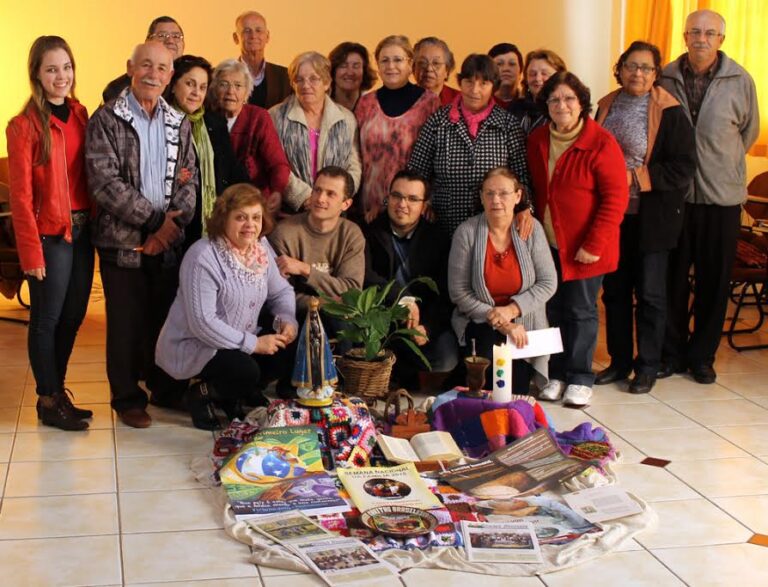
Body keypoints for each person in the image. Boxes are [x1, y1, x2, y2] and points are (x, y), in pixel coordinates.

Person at [86, 42, 197, 428]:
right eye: (146, 65)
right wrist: (154, 222)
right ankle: (127, 397)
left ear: (170, 76)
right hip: (122, 242)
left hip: (166, 242)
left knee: (164, 320)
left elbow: (189, 179)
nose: (153, 73)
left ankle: (164, 389)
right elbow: (104, 182)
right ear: (130, 68)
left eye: (162, 68)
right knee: (125, 324)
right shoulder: (106, 119)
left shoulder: (179, 122)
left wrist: (168, 230)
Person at [658, 9, 759, 384]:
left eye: (709, 33)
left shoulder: (740, 80)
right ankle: (671, 353)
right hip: (675, 196)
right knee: (672, 279)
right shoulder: (665, 76)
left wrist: (720, 164)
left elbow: (748, 132)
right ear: (685, 37)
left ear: (721, 40)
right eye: (695, 32)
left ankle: (702, 357)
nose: (701, 38)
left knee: (714, 283)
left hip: (722, 199)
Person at [594, 41, 696, 394]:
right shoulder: (606, 104)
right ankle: (619, 362)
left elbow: (684, 167)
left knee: (651, 295)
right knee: (615, 292)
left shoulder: (670, 110)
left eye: (646, 68)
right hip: (613, 216)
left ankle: (648, 365)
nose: (637, 73)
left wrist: (635, 177)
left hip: (654, 218)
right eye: (631, 66)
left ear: (656, 74)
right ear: (620, 68)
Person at [155, 184, 297, 429]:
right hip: (199, 344)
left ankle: (234, 393)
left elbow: (281, 291)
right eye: (240, 217)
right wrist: (254, 344)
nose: (250, 225)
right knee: (245, 370)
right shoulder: (203, 256)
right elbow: (203, 323)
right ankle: (199, 395)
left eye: (256, 217)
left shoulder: (260, 248)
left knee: (286, 347)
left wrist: (287, 320)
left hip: (238, 339)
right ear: (223, 219)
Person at [6, 36, 94, 431]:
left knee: (74, 315)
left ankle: (58, 391)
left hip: (83, 230)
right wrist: (31, 254)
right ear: (37, 75)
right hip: (49, 235)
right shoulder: (23, 126)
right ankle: (47, 399)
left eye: (67, 67)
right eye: (52, 69)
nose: (62, 76)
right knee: (47, 319)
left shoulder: (79, 114)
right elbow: (21, 198)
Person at [527, 71, 628, 407]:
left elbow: (615, 200)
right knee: (553, 309)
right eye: (554, 99)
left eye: (569, 98)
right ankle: (556, 374)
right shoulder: (538, 139)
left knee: (581, 311)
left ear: (582, 103)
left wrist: (593, 245)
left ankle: (580, 377)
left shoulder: (601, 142)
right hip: (548, 245)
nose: (562, 105)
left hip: (587, 247)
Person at [448, 167, 556, 393]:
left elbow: (548, 282)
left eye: (503, 193)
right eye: (489, 193)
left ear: (517, 196)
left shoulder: (532, 229)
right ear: (481, 197)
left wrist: (512, 310)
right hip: (480, 319)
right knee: (488, 380)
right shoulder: (466, 232)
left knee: (515, 391)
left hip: (524, 321)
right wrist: (503, 323)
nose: (496, 200)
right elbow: (459, 292)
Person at [408, 54, 532, 239]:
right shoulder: (438, 121)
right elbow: (417, 171)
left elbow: (521, 175)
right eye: (469, 82)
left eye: (484, 83)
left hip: (494, 225)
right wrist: (423, 202)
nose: (475, 90)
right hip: (444, 224)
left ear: (494, 86)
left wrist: (525, 208)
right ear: (460, 82)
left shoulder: (508, 125)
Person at [268, 166, 365, 396]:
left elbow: (352, 291)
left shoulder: (351, 234)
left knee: (342, 321)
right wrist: (322, 301)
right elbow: (279, 295)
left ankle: (340, 387)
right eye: (317, 190)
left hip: (337, 316)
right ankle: (296, 384)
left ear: (346, 204)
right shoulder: (284, 233)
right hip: (297, 314)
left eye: (331, 194)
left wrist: (305, 270)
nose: (320, 199)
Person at [363, 170, 458, 389]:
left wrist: (428, 327)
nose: (402, 204)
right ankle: (394, 374)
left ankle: (403, 372)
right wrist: (403, 299)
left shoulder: (438, 238)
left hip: (422, 321)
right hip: (382, 317)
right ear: (388, 198)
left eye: (412, 199)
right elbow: (366, 277)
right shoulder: (369, 230)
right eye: (397, 196)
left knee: (445, 358)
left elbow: (445, 293)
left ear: (424, 205)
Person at [356, 35, 440, 223]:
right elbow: (356, 154)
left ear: (410, 64)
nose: (391, 66)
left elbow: (436, 157)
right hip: (370, 207)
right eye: (384, 60)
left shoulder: (429, 102)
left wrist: (429, 201)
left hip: (412, 206)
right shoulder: (365, 103)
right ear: (378, 66)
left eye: (398, 60)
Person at [168, 55, 248, 245]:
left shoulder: (214, 122)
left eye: (202, 87)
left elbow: (232, 168)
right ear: (173, 84)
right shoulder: (161, 122)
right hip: (174, 224)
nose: (196, 93)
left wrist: (251, 199)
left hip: (214, 223)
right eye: (190, 84)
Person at [269, 51, 361, 212]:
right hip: (291, 210)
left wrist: (338, 196)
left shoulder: (346, 119)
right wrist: (305, 197)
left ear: (326, 83)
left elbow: (353, 165)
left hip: (334, 211)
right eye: (299, 79)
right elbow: (275, 163)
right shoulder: (275, 116)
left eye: (313, 79)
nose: (305, 85)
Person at [208, 59, 290, 214]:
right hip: (216, 202)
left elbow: (278, 164)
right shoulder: (206, 118)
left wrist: (277, 191)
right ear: (214, 89)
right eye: (224, 84)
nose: (230, 91)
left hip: (253, 200)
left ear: (247, 92)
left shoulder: (259, 117)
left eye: (238, 86)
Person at [102, 16, 185, 103]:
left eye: (176, 36)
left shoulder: (189, 79)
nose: (170, 41)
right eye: (162, 35)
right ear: (148, 41)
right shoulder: (117, 91)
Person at [233, 10, 291, 109]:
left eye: (258, 30)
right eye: (247, 31)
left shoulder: (286, 77)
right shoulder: (221, 76)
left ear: (267, 36)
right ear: (235, 38)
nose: (253, 36)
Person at [510, 49, 567, 135]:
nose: (537, 79)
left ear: (559, 77)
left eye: (544, 73)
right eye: (532, 74)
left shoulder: (565, 110)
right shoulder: (514, 108)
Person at [328, 42, 377, 112]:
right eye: (343, 66)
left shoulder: (373, 106)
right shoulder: (321, 105)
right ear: (333, 70)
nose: (350, 73)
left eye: (356, 66)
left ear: (364, 71)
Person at [413, 37, 459, 106]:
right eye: (422, 63)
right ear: (413, 68)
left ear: (447, 70)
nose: (429, 69)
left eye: (436, 63)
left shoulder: (460, 101)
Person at [488, 43, 524, 109]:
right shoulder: (479, 105)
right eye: (499, 64)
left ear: (520, 72)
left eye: (512, 64)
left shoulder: (531, 107)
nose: (506, 69)